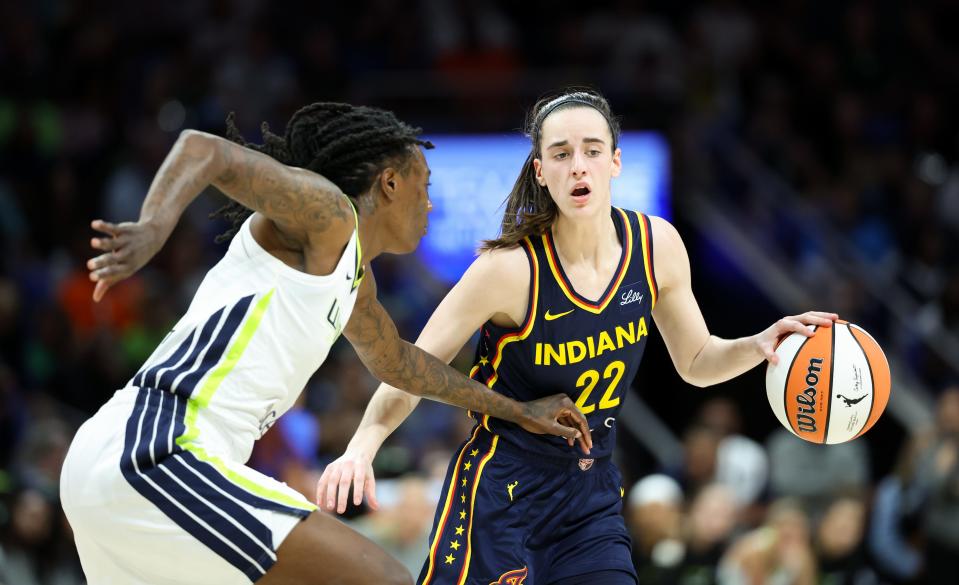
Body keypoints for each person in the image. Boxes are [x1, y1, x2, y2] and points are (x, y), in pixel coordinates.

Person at [59, 102, 592, 585]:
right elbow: (203, 149)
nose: (430, 204)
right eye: (424, 185)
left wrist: (516, 410)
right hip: (158, 448)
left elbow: (402, 365)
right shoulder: (330, 215)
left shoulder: (354, 280)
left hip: (131, 469)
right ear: (389, 183)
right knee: (384, 579)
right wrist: (153, 228)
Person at [318, 89, 837, 585]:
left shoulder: (656, 247)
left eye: (592, 151)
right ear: (541, 172)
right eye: (561, 154)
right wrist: (361, 447)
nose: (578, 166)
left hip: (589, 495)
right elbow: (411, 369)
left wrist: (759, 343)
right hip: (500, 492)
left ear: (615, 161)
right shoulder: (507, 270)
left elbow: (696, 360)